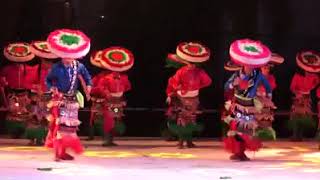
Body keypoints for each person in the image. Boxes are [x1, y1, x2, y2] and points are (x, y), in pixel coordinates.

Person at [44, 29, 92, 161]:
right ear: (61, 54)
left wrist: (88, 87)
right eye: (65, 57)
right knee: (59, 127)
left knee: (70, 129)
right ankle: (57, 154)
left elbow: (88, 78)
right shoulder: (56, 67)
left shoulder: (79, 66)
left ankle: (63, 152)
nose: (68, 59)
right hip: (59, 100)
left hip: (72, 101)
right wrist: (52, 88)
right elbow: (47, 80)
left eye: (70, 57)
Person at [223, 39, 273, 161]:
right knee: (236, 128)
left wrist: (268, 97)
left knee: (247, 129)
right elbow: (226, 86)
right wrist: (233, 84)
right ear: (243, 63)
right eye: (246, 63)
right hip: (237, 104)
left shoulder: (258, 75)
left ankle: (242, 153)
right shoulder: (237, 74)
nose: (248, 66)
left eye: (251, 64)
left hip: (249, 104)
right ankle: (238, 152)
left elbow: (268, 86)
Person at [166, 42, 212, 148]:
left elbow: (208, 81)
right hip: (182, 98)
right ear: (186, 62)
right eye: (190, 62)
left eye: (193, 63)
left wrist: (198, 86)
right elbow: (173, 81)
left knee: (192, 119)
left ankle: (189, 141)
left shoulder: (199, 72)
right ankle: (181, 141)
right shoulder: (181, 71)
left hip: (194, 98)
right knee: (182, 118)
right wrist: (179, 87)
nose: (191, 65)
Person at [89, 47, 133, 146]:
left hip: (117, 101)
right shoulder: (105, 78)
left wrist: (121, 92)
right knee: (108, 120)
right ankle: (106, 140)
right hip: (108, 101)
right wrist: (107, 94)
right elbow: (100, 87)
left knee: (115, 120)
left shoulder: (123, 77)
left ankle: (110, 139)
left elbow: (127, 87)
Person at [1, 42, 37, 139]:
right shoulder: (7, 69)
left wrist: (32, 99)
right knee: (13, 115)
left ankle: (26, 132)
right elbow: (2, 87)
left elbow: (34, 85)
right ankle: (14, 132)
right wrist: (5, 102)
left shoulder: (30, 69)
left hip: (25, 95)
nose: (18, 64)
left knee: (27, 115)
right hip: (13, 95)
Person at [289, 50, 319, 141]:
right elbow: (292, 88)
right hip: (298, 98)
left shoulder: (314, 76)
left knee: (304, 117)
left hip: (306, 98)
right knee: (296, 116)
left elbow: (317, 83)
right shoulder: (297, 76)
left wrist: (311, 88)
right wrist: (297, 93)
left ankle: (300, 135)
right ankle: (295, 135)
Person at [254, 53, 284, 140]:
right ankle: (257, 133)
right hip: (258, 99)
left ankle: (266, 134)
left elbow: (272, 87)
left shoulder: (271, 77)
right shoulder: (256, 77)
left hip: (267, 99)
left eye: (267, 68)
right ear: (261, 68)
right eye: (264, 68)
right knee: (257, 116)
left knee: (266, 116)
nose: (266, 69)